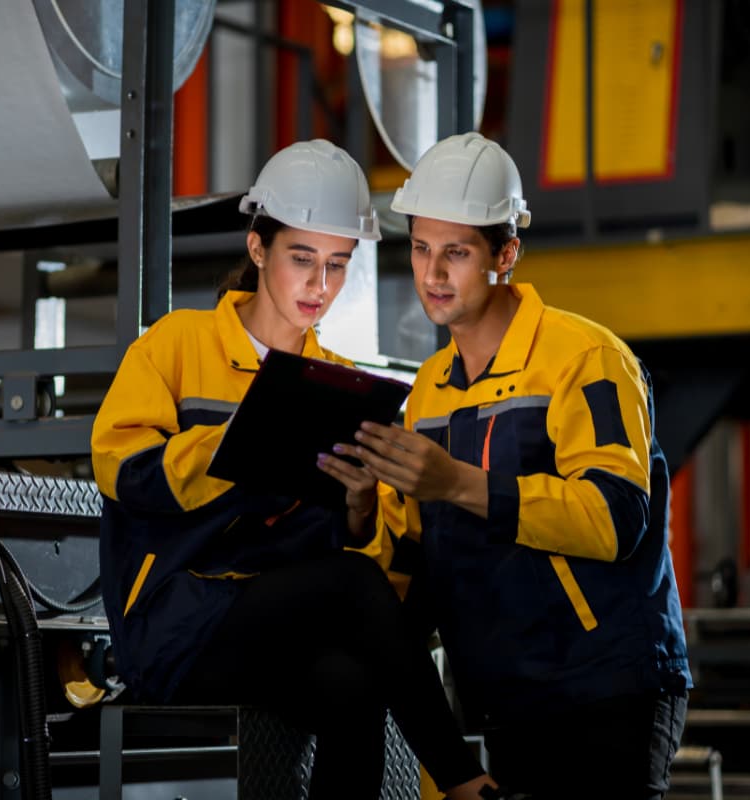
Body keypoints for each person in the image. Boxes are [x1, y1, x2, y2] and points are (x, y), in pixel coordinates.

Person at [91, 139, 497, 799]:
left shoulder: (332, 382)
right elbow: (121, 471)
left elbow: (321, 547)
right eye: (301, 259)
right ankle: (461, 779)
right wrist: (242, 438)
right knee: (355, 583)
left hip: (269, 622)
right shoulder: (175, 345)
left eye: (338, 265)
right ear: (259, 250)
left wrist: (359, 503)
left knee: (353, 686)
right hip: (173, 627)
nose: (320, 286)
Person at [334, 132, 691, 798]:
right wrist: (356, 515)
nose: (433, 274)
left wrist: (457, 483)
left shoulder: (585, 359)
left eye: (457, 253)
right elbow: (412, 559)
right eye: (420, 248)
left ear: (506, 254)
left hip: (605, 684)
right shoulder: (429, 390)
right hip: (502, 695)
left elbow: (616, 519)